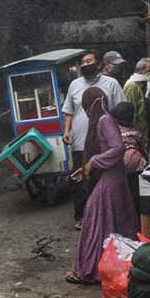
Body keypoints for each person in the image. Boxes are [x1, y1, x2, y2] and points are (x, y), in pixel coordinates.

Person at [66, 87, 138, 285]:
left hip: (112, 180)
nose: (87, 112)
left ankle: (90, 269)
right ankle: (110, 266)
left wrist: (94, 162)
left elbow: (117, 148)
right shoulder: (103, 120)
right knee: (111, 223)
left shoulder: (104, 120)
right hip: (112, 179)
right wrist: (86, 169)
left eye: (87, 107)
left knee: (95, 219)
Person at [62, 50, 125, 230]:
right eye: (83, 62)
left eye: (90, 61)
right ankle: (82, 216)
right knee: (81, 178)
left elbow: (120, 108)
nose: (86, 64)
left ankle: (105, 214)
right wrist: (67, 130)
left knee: (103, 177)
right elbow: (68, 110)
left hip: (105, 141)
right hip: (80, 140)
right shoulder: (74, 85)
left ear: (98, 64)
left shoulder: (111, 83)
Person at [109, 102, 147, 212]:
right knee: (135, 198)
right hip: (136, 171)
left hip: (117, 171)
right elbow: (142, 148)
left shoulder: (111, 130)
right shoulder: (135, 132)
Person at [123, 57, 150, 150]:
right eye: (149, 70)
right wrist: (136, 134)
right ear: (141, 71)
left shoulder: (144, 84)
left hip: (145, 127)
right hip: (138, 131)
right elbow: (131, 112)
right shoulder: (132, 86)